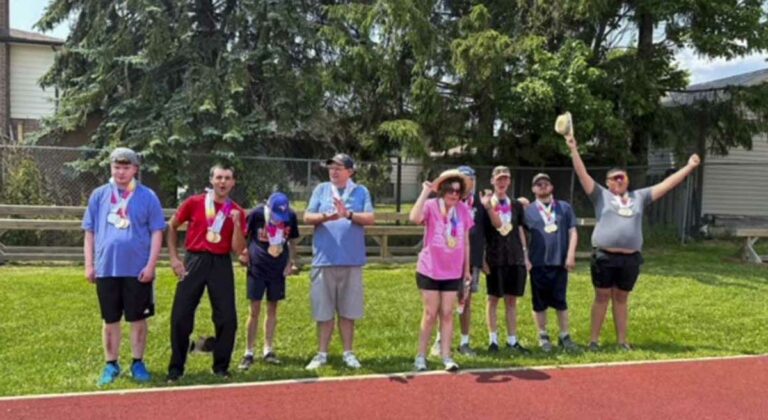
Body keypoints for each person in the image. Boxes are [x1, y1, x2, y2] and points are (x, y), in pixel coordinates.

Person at [564, 128, 700, 351]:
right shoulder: (600, 195)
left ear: (627, 180)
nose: (619, 180)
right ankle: (594, 341)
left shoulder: (640, 196)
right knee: (601, 296)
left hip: (630, 258)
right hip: (605, 256)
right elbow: (582, 174)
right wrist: (573, 149)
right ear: (607, 182)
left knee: (621, 298)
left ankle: (622, 341)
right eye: (614, 178)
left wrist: (689, 166)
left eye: (622, 177)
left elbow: (668, 184)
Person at [82, 147, 165, 386]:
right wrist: (89, 264)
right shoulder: (99, 195)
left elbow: (157, 232)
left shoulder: (148, 196)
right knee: (110, 320)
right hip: (106, 268)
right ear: (111, 168)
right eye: (116, 167)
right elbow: (90, 232)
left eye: (126, 167)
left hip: (137, 270)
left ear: (135, 169)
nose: (120, 172)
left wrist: (151, 265)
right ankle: (111, 364)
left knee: (137, 318)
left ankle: (138, 362)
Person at [166, 164, 247, 382]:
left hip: (221, 262)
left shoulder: (236, 210)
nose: (223, 182)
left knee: (227, 317)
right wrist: (174, 259)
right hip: (194, 260)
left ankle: (221, 366)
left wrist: (238, 225)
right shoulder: (194, 202)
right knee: (181, 315)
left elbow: (238, 249)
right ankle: (176, 367)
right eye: (219, 177)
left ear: (233, 182)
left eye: (227, 178)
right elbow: (172, 226)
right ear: (211, 180)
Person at [303, 154, 375, 370]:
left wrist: (348, 214)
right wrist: (325, 217)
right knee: (323, 311)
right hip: (324, 260)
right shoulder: (321, 190)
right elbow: (307, 217)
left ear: (350, 171)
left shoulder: (360, 191)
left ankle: (348, 353)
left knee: (348, 310)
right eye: (331, 167)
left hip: (351, 260)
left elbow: (370, 218)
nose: (333, 171)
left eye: (339, 167)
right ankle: (322, 353)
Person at [410, 170, 476, 371]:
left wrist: (466, 269)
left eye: (458, 191)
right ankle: (421, 356)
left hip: (453, 270)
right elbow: (414, 218)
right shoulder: (431, 206)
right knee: (430, 313)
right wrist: (424, 193)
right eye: (450, 190)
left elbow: (465, 241)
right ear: (442, 191)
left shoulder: (463, 210)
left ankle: (447, 356)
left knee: (447, 313)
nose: (454, 195)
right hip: (430, 269)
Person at [431, 165, 494, 357]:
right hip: (447, 261)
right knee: (445, 303)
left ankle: (465, 342)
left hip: (471, 261)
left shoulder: (481, 204)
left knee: (465, 302)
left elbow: (485, 233)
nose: (468, 183)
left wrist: (482, 258)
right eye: (464, 179)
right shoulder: (447, 202)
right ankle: (440, 340)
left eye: (471, 179)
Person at [237, 192, 300, 370]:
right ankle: (248, 351)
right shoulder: (257, 214)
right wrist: (244, 253)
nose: (278, 219)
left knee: (272, 308)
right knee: (254, 309)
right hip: (257, 268)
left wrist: (291, 262)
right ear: (268, 208)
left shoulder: (291, 216)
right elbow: (245, 234)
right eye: (275, 215)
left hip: (278, 268)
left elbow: (292, 241)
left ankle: (268, 349)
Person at [524, 173, 579, 352]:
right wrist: (525, 257)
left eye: (546, 183)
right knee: (539, 302)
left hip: (559, 262)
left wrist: (570, 254)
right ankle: (543, 335)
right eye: (538, 184)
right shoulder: (528, 210)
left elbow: (573, 231)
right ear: (533, 189)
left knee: (560, 301)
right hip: (538, 262)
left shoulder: (564, 207)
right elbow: (521, 234)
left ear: (551, 187)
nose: (542, 186)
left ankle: (564, 335)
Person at [484, 166, 532, 354]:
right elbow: (480, 234)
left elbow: (520, 229)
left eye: (505, 179)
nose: (502, 182)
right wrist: (482, 259)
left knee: (512, 300)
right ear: (492, 181)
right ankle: (493, 340)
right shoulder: (486, 204)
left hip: (514, 258)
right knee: (493, 299)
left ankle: (512, 340)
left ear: (509, 181)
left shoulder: (516, 205)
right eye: (499, 178)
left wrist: (525, 256)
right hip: (495, 258)